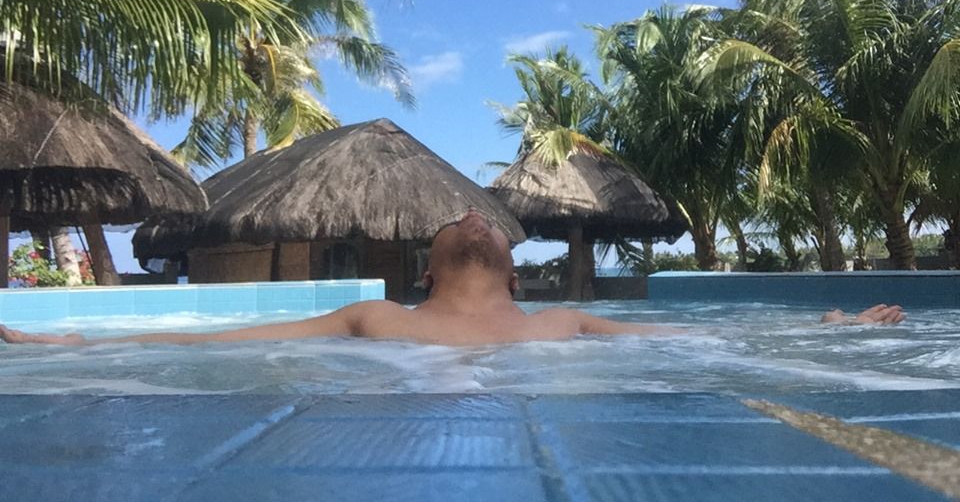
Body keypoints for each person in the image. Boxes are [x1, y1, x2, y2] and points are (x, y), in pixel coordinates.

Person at [0, 211, 905, 347]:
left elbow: (234, 343)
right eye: (464, 229)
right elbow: (709, 340)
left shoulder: (374, 318)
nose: (473, 225)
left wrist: (74, 341)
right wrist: (829, 328)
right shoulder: (570, 330)